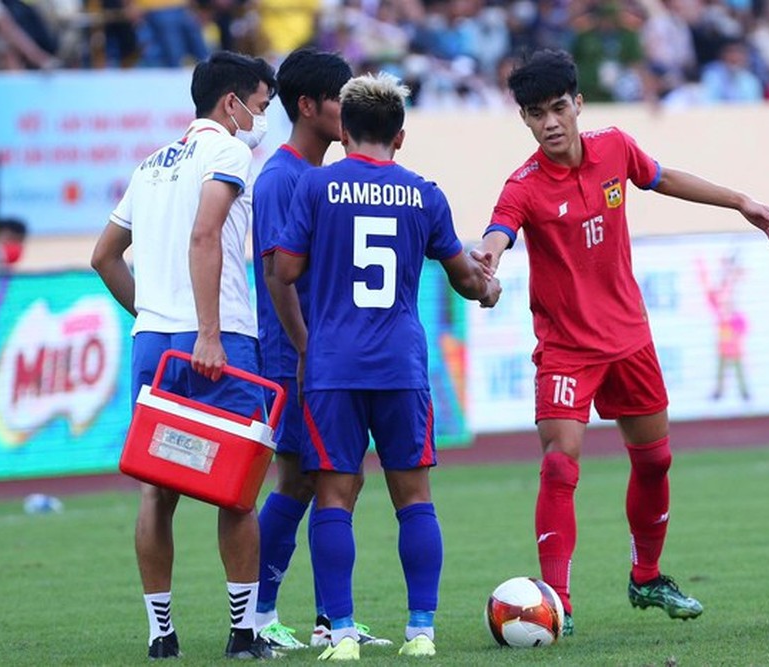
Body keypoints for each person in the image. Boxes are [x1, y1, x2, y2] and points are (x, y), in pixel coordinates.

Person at [474, 49, 769, 637]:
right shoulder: (522, 186)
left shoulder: (615, 147)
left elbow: (663, 177)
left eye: (558, 108)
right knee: (560, 464)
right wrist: (486, 262)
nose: (549, 122)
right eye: (536, 113)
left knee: (655, 460)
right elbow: (498, 234)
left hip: (629, 340)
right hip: (567, 347)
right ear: (523, 119)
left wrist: (741, 200)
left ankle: (646, 577)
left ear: (578, 105)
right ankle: (556, 603)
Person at [273, 72, 500, 661]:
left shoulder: (317, 188)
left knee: (333, 498)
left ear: (344, 130)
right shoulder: (425, 194)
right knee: (415, 498)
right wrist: (488, 289)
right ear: (400, 138)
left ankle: (342, 633)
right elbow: (465, 277)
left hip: (333, 367)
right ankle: (421, 632)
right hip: (400, 365)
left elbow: (286, 270)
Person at [90, 51, 278, 660]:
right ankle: (243, 633)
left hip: (155, 341)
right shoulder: (229, 152)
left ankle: (161, 635)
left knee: (156, 491)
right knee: (238, 488)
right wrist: (207, 331)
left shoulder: (149, 165)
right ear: (233, 103)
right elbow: (205, 233)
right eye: (261, 104)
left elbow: (104, 256)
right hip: (217, 339)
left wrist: (150, 316)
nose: (261, 118)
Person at [250, 46, 392, 652]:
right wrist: (308, 349)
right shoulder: (284, 177)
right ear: (308, 106)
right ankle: (261, 615)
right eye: (341, 97)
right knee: (303, 482)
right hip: (297, 355)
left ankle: (323, 617)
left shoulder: (323, 177)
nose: (349, 108)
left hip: (323, 354)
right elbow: (276, 276)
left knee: (328, 481)